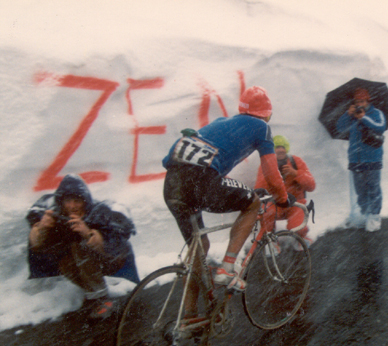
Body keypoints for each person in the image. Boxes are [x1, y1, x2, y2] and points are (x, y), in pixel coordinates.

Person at [162, 86, 292, 322]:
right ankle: (227, 268)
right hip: (201, 181)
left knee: (198, 249)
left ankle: (189, 317)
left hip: (172, 185)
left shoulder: (221, 123)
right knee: (252, 203)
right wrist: (283, 199)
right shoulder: (261, 127)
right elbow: (272, 174)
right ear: (266, 113)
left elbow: (168, 159)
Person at [26, 174, 138, 319]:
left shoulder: (98, 212)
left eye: (77, 201)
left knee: (79, 246)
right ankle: (94, 295)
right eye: (68, 201)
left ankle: (103, 299)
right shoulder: (57, 214)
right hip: (92, 262)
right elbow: (37, 245)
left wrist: (88, 233)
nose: (72, 206)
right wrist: (42, 228)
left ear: (84, 201)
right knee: (65, 263)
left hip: (114, 260)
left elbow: (114, 246)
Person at [336, 88, 386, 232]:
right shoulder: (351, 115)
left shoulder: (377, 114)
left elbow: (380, 127)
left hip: (373, 160)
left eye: (362, 101)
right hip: (355, 160)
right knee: (361, 191)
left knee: (374, 189)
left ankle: (375, 217)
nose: (360, 104)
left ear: (368, 101)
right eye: (357, 101)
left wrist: (364, 118)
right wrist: (347, 114)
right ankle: (365, 214)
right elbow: (339, 127)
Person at [254, 135, 316, 243]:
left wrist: (295, 173)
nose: (280, 150)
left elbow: (311, 186)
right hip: (275, 204)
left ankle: (301, 238)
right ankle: (270, 241)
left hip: (295, 204)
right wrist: (272, 174)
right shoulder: (266, 164)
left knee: (298, 227)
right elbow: (259, 189)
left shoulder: (296, 161)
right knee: (266, 212)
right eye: (277, 147)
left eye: (283, 147)